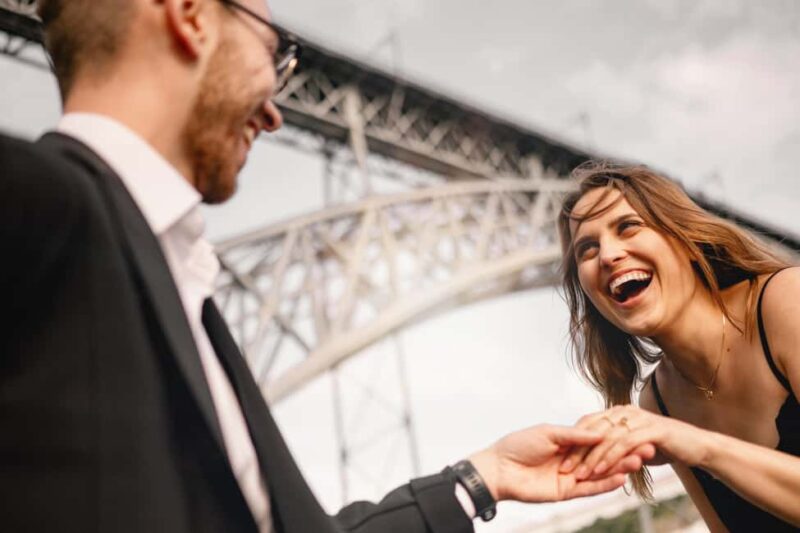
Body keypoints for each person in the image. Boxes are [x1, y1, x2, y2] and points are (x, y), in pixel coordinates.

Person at [0, 2, 653, 532]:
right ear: (190, 14)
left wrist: (481, 478)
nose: (277, 112)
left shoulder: (184, 286)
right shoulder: (30, 205)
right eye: (273, 55)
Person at [555, 162, 800, 531]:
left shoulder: (785, 301)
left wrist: (692, 443)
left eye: (629, 227)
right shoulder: (659, 402)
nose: (608, 255)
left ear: (684, 238)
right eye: (587, 250)